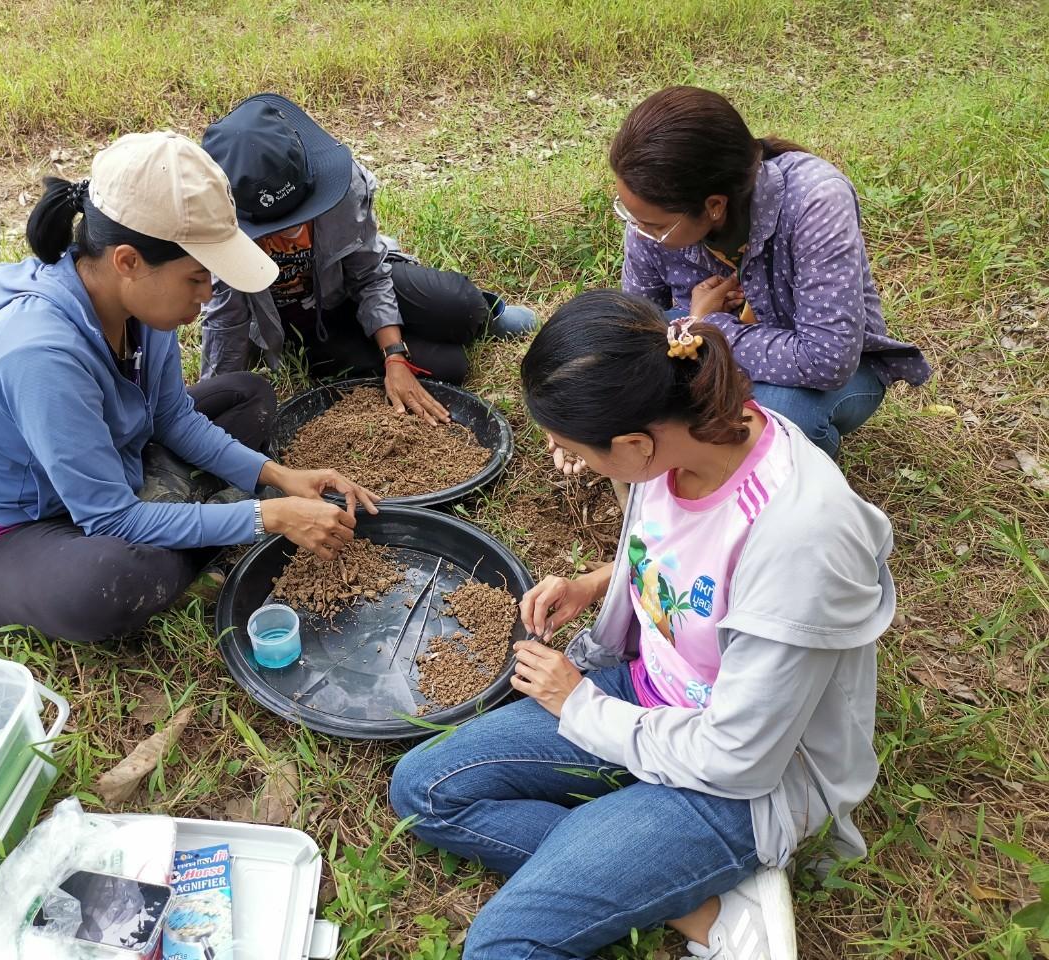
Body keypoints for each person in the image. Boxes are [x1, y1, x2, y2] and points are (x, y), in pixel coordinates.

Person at [392, 290, 896, 960]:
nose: (557, 451)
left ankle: (656, 855)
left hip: (739, 782)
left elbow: (738, 759)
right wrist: (592, 585)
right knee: (423, 789)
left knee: (504, 946)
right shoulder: (688, 438)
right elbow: (691, 559)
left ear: (632, 444)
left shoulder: (800, 540)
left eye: (570, 444)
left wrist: (577, 703)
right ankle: (683, 891)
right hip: (647, 692)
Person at [0, 131, 378, 645]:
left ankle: (194, 517)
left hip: (97, 471)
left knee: (248, 397)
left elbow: (172, 417)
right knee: (110, 582)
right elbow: (109, 517)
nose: (206, 298)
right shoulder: (41, 355)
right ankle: (199, 522)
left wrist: (281, 476)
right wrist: (267, 515)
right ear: (128, 262)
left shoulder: (141, 310)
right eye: (196, 279)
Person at [607, 85, 931, 459]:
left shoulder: (815, 202)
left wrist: (706, 327)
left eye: (652, 224)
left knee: (775, 421)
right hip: (710, 340)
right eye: (633, 217)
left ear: (714, 206)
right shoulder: (653, 214)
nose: (640, 230)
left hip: (831, 367)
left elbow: (827, 360)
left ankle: (799, 487)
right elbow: (637, 324)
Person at [199, 93, 537, 424]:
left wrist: (395, 356)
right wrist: (213, 406)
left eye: (300, 217)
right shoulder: (221, 230)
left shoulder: (341, 186)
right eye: (277, 227)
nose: (291, 234)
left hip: (348, 286)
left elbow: (369, 276)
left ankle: (487, 316)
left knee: (461, 306)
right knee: (451, 366)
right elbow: (226, 321)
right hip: (306, 325)